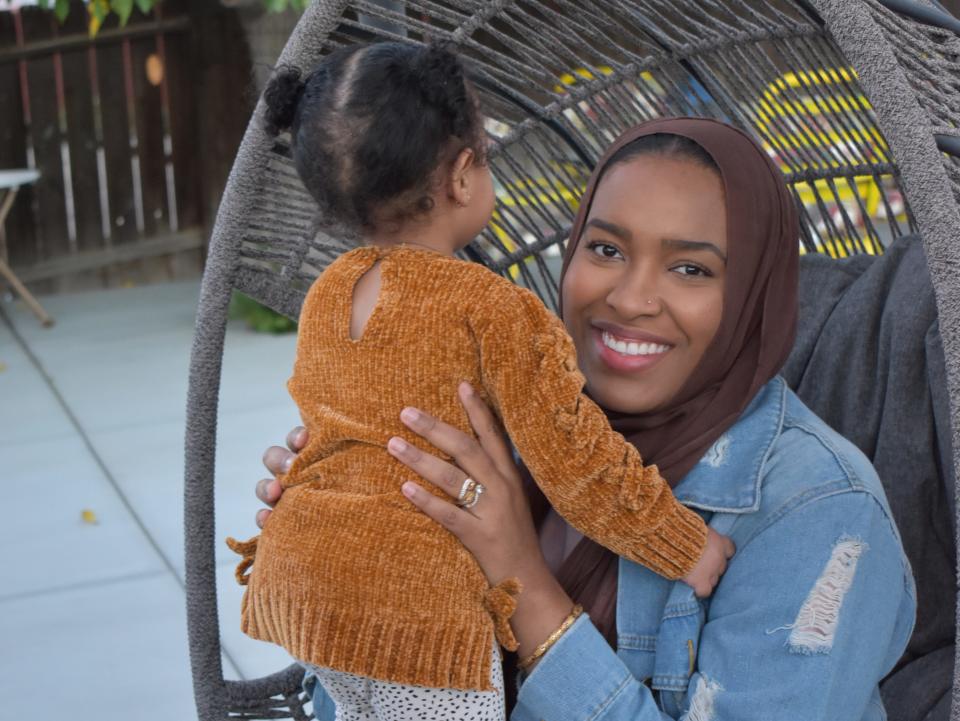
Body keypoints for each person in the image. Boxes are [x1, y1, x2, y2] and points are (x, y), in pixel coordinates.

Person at [255, 117, 917, 720]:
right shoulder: (499, 421)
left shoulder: (819, 509)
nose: (629, 298)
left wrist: (522, 578)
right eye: (605, 250)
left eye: (690, 267)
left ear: (750, 296)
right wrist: (341, 530)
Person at [226, 43, 733, 720]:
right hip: (413, 607)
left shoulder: (329, 291)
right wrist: (686, 544)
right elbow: (574, 461)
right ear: (463, 174)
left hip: (304, 583)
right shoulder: (492, 308)